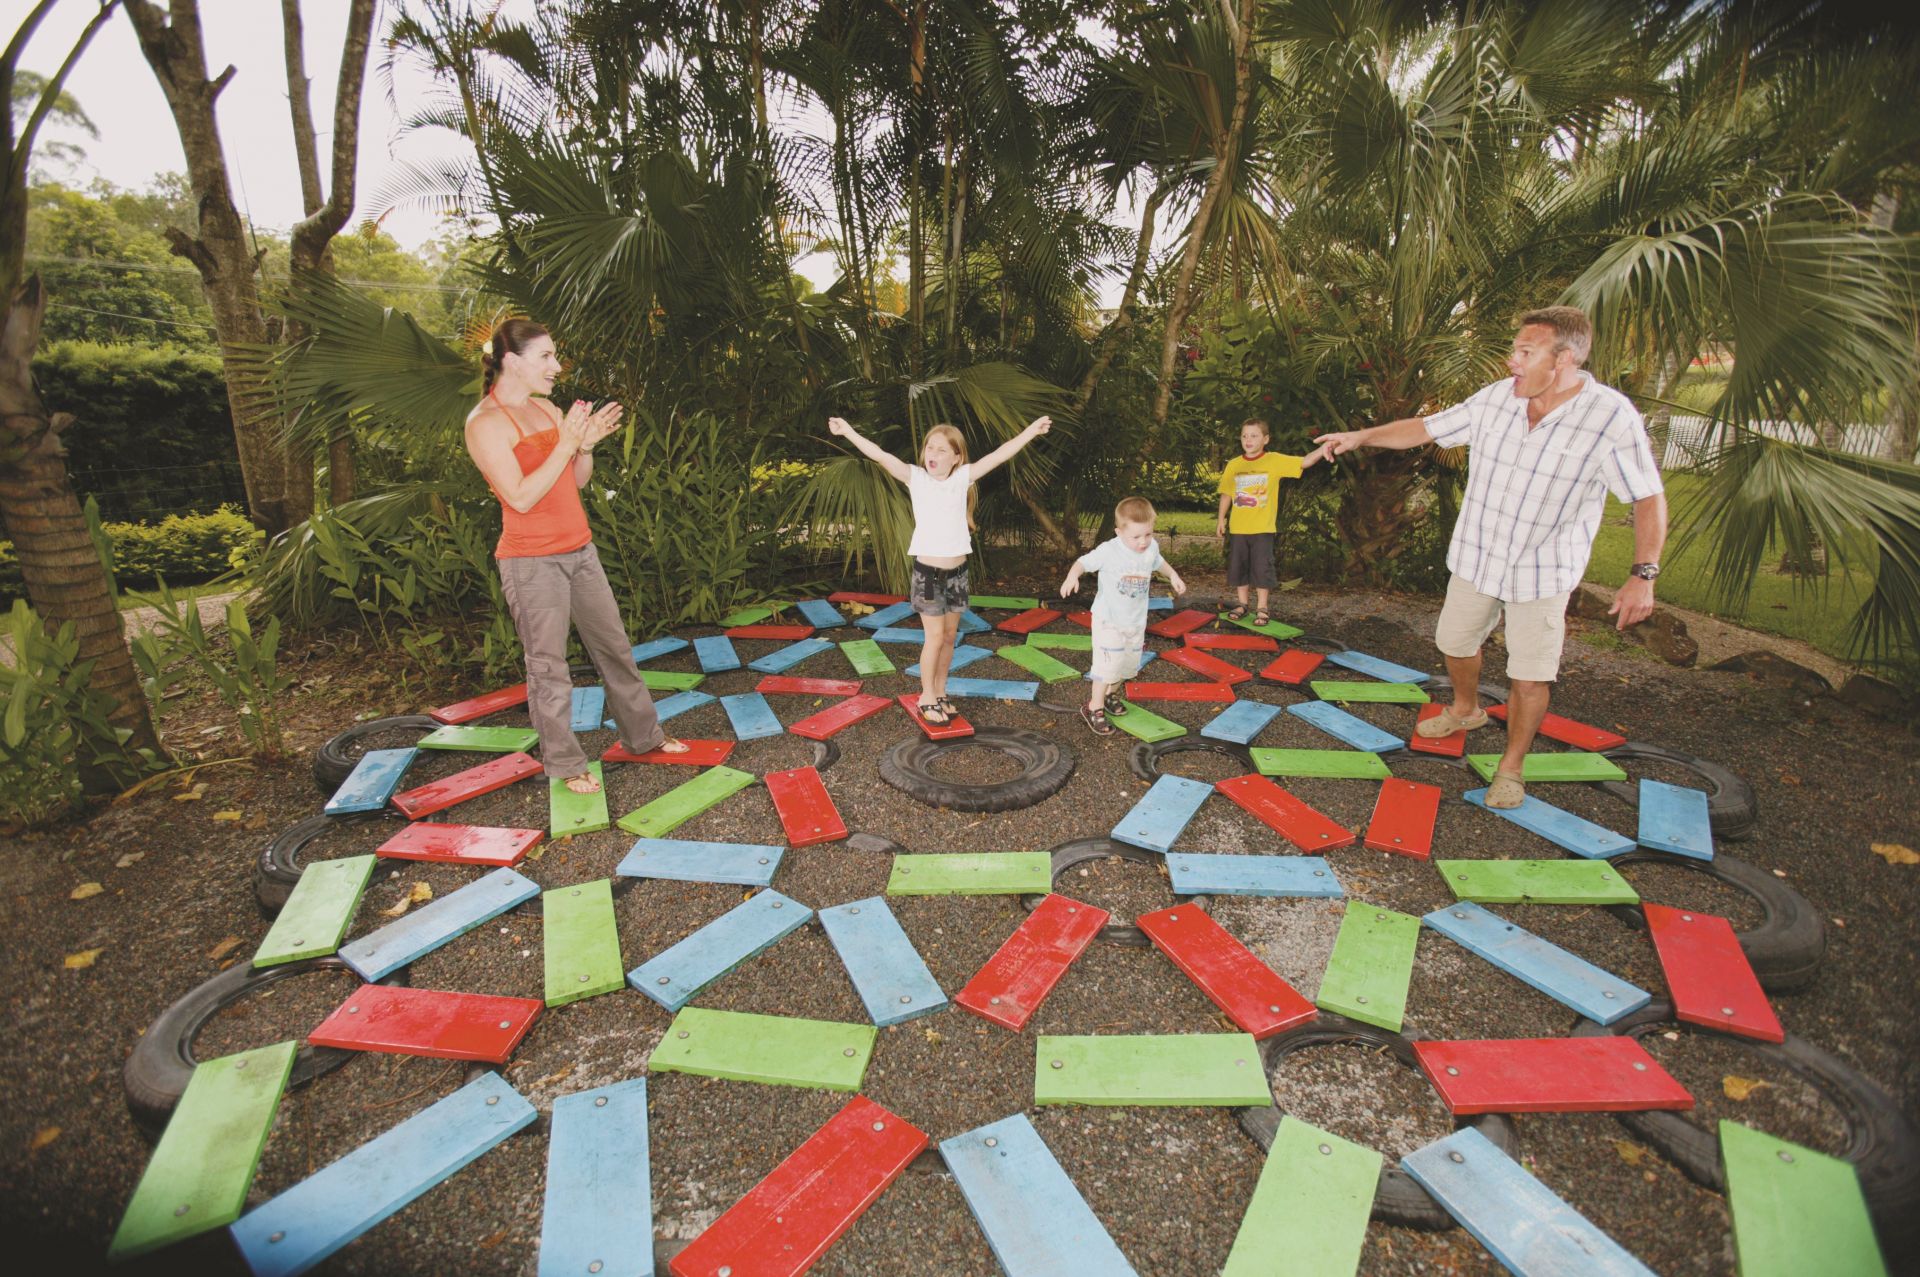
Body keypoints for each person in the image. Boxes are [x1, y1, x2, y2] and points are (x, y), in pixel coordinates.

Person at [1313, 305, 1667, 809]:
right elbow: (1427, 428)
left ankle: (1511, 767)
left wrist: (1643, 574)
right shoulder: (1497, 398)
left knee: (1530, 676)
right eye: (1514, 350)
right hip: (1478, 559)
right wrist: (1361, 437)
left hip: (1543, 572)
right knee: (1454, 642)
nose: (1511, 361)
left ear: (1564, 359)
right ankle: (1465, 709)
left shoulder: (1609, 418)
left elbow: (1647, 496)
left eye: (1525, 351)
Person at [464, 318, 687, 795]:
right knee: (549, 667)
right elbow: (520, 497)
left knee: (615, 648)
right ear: (512, 361)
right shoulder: (485, 424)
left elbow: (577, 480)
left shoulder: (547, 409)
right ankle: (565, 763)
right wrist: (566, 443)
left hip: (580, 550)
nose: (557, 366)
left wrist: (582, 447)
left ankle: (643, 736)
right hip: (531, 562)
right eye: (546, 356)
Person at [828, 413, 1053, 724]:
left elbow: (1000, 455)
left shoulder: (962, 479)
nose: (933, 454)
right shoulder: (916, 478)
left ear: (956, 458)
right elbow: (880, 455)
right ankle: (927, 695)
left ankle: (941, 691)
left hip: (957, 574)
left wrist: (1030, 431)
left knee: (949, 637)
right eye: (930, 447)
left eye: (942, 450)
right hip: (929, 576)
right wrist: (848, 431)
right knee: (934, 638)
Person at [1059, 496, 1188, 736]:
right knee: (1108, 666)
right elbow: (1082, 563)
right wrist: (1072, 576)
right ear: (1119, 532)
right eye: (1136, 537)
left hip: (1135, 622)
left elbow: (1159, 562)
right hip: (1109, 621)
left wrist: (1173, 576)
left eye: (1148, 534)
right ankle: (1093, 707)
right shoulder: (1109, 550)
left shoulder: (1151, 548)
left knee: (1127, 667)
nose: (1143, 541)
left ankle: (1110, 695)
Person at [1215, 417, 1326, 624]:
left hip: (1263, 529)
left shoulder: (1274, 460)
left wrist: (1323, 449)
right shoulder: (1234, 464)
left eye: (1254, 436)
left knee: (1261, 569)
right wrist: (1221, 519)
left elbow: (1304, 461)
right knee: (1240, 568)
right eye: (1244, 436)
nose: (1248, 440)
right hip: (1238, 528)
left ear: (1266, 439)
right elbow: (1227, 494)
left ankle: (1262, 607)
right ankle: (1242, 604)